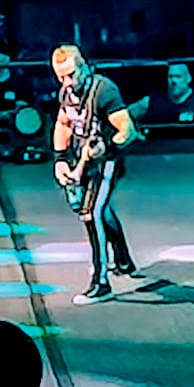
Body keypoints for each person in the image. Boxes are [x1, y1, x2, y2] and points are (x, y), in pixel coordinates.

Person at [51, 45, 140, 305]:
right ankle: (123, 260)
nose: (68, 81)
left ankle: (101, 283)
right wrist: (60, 159)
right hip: (83, 159)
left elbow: (128, 130)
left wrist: (109, 145)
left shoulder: (104, 91)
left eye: (72, 74)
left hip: (107, 162)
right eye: (61, 77)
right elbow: (62, 123)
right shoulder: (66, 92)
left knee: (92, 213)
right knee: (102, 210)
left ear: (85, 67)